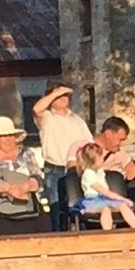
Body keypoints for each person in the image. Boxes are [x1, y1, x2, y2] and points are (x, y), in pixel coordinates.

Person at [0, 116, 50, 236]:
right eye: (4, 136)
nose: (8, 139)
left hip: (27, 202)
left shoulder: (26, 154)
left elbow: (38, 177)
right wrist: (8, 189)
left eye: (11, 135)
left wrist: (24, 187)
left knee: (43, 218)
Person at [33, 82, 93, 230]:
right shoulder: (46, 117)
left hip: (78, 170)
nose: (63, 98)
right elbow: (36, 109)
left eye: (65, 95)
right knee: (57, 210)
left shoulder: (77, 120)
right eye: (59, 96)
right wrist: (57, 92)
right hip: (55, 170)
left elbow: (89, 144)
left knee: (81, 209)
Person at [75, 142, 135, 230]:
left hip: (104, 198)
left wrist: (123, 202)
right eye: (101, 157)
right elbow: (104, 191)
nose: (103, 158)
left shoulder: (100, 171)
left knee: (123, 206)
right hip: (93, 200)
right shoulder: (88, 174)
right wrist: (124, 199)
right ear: (94, 159)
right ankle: (108, 232)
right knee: (105, 209)